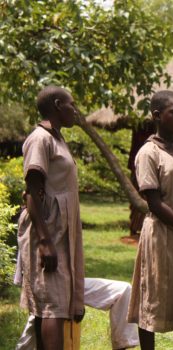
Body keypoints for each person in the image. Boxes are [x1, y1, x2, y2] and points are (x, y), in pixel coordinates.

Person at [127, 90, 173, 350]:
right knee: (154, 297)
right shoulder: (148, 153)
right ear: (157, 116)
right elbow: (154, 203)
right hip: (162, 235)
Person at [17, 86, 84, 350]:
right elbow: (32, 192)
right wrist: (45, 242)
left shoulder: (57, 139)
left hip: (61, 230)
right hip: (47, 231)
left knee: (57, 302)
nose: (75, 110)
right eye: (72, 104)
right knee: (51, 306)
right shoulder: (39, 139)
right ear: (58, 105)